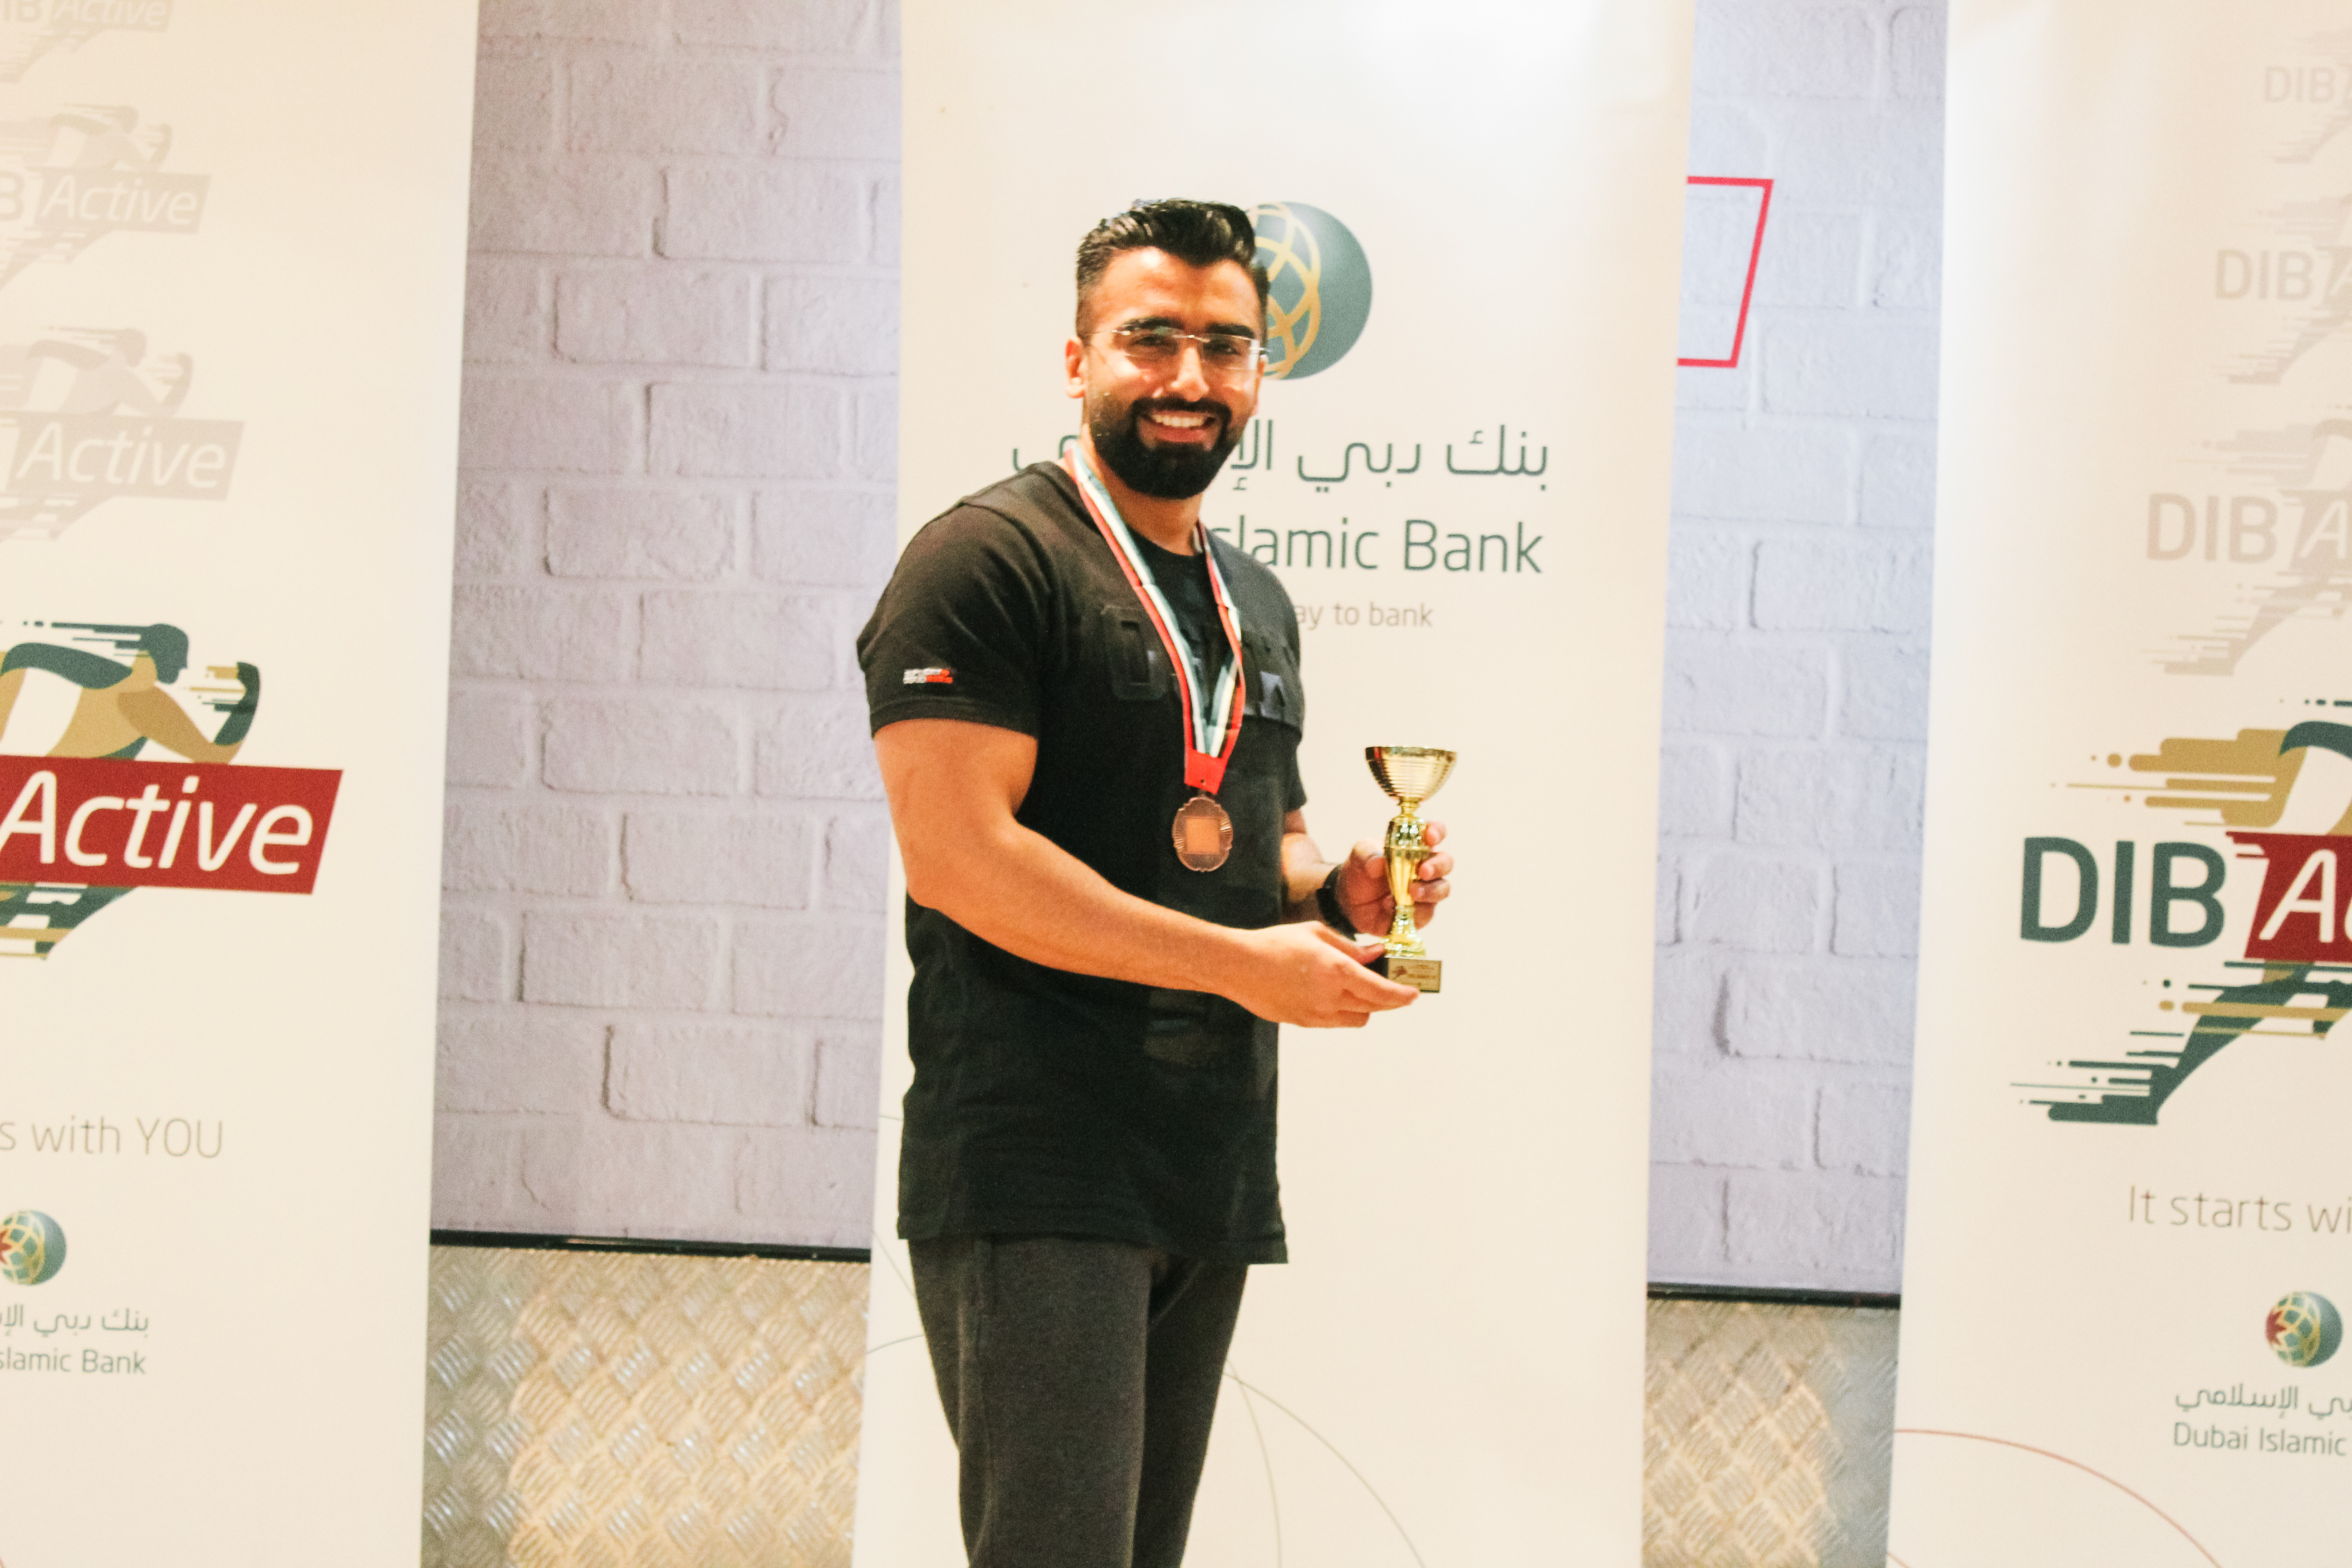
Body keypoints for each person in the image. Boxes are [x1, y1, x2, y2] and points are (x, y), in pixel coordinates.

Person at [856, 199, 1455, 1568]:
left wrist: (1344, 897)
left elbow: (1265, 848)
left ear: (1261, 373)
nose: (1191, 376)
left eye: (1225, 346)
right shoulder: (986, 561)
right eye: (1152, 339)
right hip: (1039, 1159)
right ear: (1078, 360)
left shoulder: (1254, 601)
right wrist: (1246, 966)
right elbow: (962, 859)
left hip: (1205, 1159)